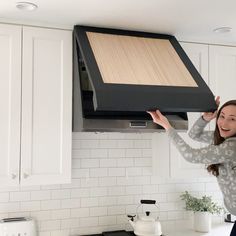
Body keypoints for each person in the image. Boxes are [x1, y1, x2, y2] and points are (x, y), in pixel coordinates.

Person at [148, 97, 236, 236]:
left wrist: (167, 126)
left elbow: (190, 155)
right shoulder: (224, 139)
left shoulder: (232, 146)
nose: (224, 122)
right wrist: (205, 119)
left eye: (232, 119)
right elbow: (195, 134)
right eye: (222, 116)